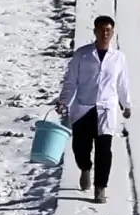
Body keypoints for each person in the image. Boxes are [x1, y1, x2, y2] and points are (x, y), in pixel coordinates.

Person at [55, 15, 131, 204]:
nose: (105, 33)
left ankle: (100, 188)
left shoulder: (118, 58)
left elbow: (122, 83)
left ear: (112, 33)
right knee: (80, 147)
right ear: (95, 31)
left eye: (109, 30)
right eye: (102, 29)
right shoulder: (82, 54)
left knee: (104, 150)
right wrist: (64, 101)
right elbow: (71, 80)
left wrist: (126, 104)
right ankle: (85, 168)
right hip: (83, 107)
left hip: (106, 108)